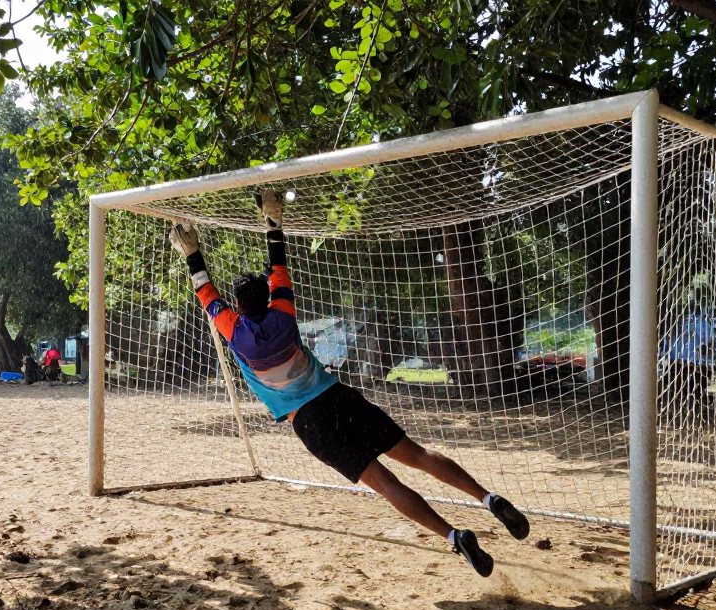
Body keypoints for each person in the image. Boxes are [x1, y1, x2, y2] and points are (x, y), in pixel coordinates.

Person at [167, 189, 530, 577]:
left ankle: (454, 536)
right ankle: (487, 498)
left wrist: (191, 253)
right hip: (337, 397)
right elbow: (278, 267)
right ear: (268, 300)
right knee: (419, 456)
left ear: (238, 308)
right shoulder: (284, 315)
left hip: (309, 422)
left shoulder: (234, 330)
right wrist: (272, 222)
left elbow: (206, 293)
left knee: (387, 484)